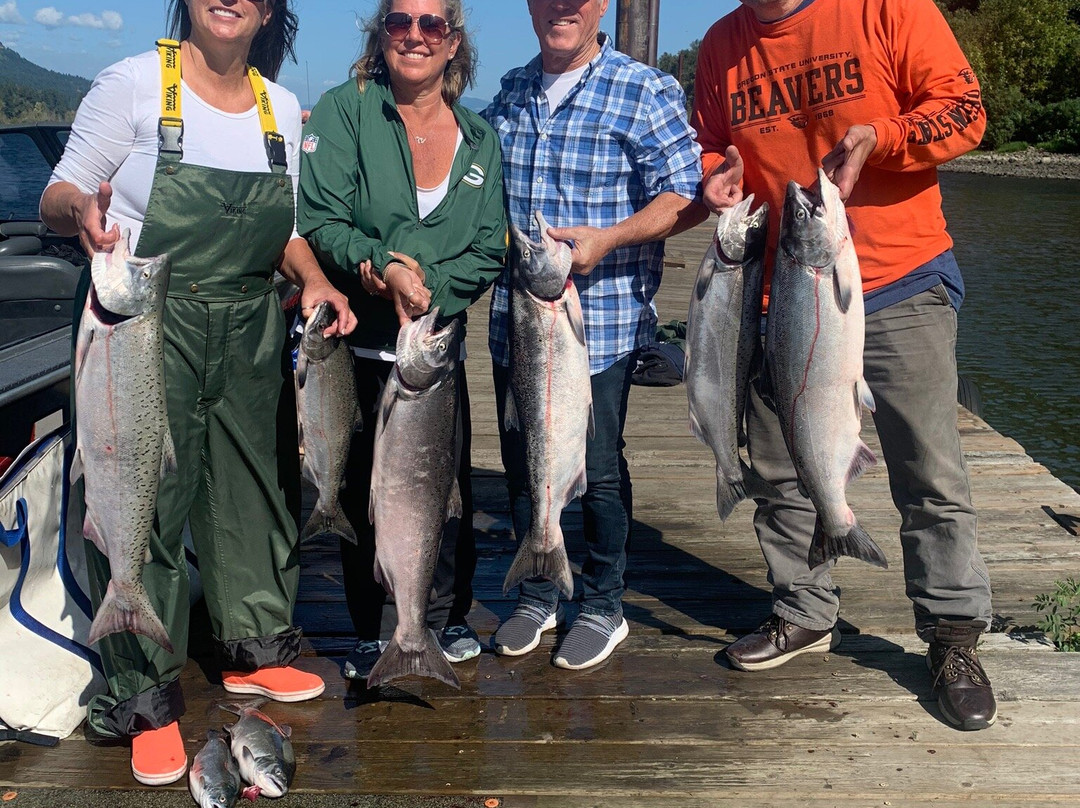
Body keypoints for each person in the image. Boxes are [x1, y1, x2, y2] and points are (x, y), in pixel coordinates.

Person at [40, 0, 356, 785]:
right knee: (141, 494)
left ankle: (254, 649)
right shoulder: (133, 85)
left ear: (270, 8)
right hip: (147, 323)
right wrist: (81, 209)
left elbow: (282, 230)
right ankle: (142, 695)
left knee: (256, 490)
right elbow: (59, 191)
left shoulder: (282, 107)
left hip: (250, 321)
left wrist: (315, 279)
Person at [693, 0, 996, 729]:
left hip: (898, 278)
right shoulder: (721, 44)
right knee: (778, 468)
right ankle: (804, 608)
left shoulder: (888, 9)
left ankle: (952, 635)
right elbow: (707, 143)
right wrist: (715, 176)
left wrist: (881, 138)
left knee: (929, 467)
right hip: (780, 288)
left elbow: (966, 112)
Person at [482, 0, 706, 671]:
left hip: (596, 328)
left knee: (597, 469)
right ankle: (538, 589)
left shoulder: (644, 90)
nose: (562, 7)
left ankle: (604, 604)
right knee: (525, 460)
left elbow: (685, 193)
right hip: (515, 320)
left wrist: (608, 240)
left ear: (602, 5)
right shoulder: (511, 92)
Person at [297, 0, 507, 682]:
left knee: (446, 493)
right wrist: (376, 262)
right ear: (380, 34)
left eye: (431, 25)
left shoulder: (480, 139)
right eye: (400, 22)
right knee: (361, 487)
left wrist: (431, 290)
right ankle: (370, 625)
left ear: (453, 45)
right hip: (354, 346)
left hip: (435, 355)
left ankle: (441, 619)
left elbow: (488, 248)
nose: (414, 36)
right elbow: (321, 217)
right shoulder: (343, 109)